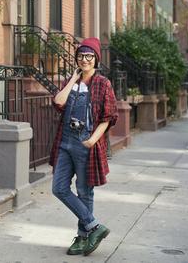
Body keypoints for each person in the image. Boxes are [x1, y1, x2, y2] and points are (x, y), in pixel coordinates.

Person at [50, 37, 118, 256]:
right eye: (81, 56)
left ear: (95, 59)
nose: (84, 60)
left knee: (83, 190)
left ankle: (83, 237)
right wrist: (72, 79)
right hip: (65, 140)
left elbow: (108, 117)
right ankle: (94, 226)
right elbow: (59, 102)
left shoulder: (102, 83)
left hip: (86, 140)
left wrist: (93, 140)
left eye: (89, 56)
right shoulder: (72, 82)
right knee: (59, 188)